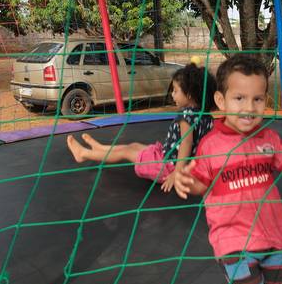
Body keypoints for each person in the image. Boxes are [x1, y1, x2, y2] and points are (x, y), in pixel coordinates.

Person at [174, 55, 282, 284]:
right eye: (239, 98)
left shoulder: (269, 137)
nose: (249, 107)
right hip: (233, 241)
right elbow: (201, 182)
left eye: (257, 99)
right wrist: (187, 180)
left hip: (272, 239)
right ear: (221, 101)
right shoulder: (211, 145)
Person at [67, 61, 216, 193]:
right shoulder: (206, 117)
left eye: (176, 91)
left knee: (126, 151)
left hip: (168, 167)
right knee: (134, 146)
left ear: (189, 95)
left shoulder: (186, 115)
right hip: (170, 158)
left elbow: (186, 143)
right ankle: (100, 148)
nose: (172, 95)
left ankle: (84, 154)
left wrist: (177, 173)